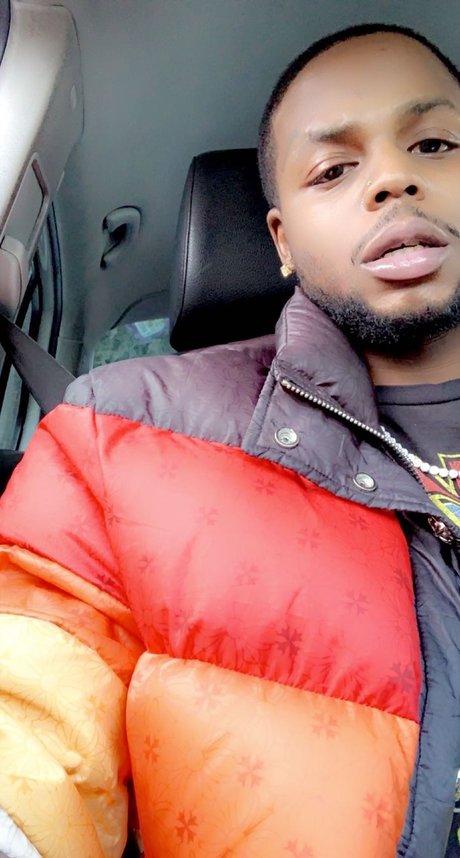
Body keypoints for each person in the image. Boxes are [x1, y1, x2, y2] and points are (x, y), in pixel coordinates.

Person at [0, 20, 459, 858]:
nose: (394, 179)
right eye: (334, 169)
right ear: (281, 241)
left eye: (433, 144)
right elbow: (29, 727)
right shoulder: (115, 437)